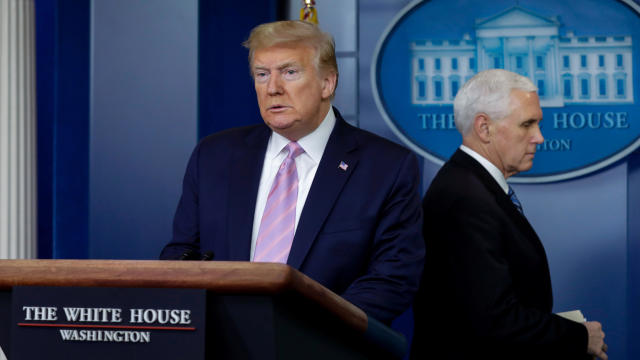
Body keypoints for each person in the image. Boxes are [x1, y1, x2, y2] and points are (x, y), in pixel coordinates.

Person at [160, 20, 424, 324]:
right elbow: (180, 254)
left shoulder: (385, 166)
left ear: (328, 83)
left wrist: (304, 336)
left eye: (289, 72)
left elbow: (391, 277)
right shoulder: (214, 156)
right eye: (262, 75)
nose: (273, 88)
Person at [411, 69, 607, 359]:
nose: (539, 137)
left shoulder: (470, 184)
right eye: (527, 124)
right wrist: (579, 336)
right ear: (484, 128)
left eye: (538, 124)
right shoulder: (465, 199)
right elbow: (492, 322)